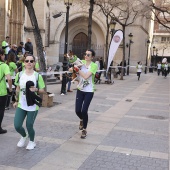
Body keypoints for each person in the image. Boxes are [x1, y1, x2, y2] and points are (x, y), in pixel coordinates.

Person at [13, 54, 45, 150]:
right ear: (24, 63)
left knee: (29, 125)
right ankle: (24, 135)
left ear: (34, 63)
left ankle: (32, 141)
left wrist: (36, 89)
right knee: (17, 125)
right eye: (27, 61)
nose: (29, 63)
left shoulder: (37, 76)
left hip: (32, 105)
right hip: (21, 104)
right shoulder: (20, 74)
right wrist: (16, 100)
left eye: (31, 61)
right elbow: (18, 89)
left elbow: (42, 90)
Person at [71, 49, 97, 139]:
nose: (86, 56)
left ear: (92, 57)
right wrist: (73, 69)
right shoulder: (81, 62)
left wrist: (77, 70)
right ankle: (81, 119)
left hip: (89, 91)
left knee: (84, 110)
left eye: (88, 55)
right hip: (80, 89)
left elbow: (86, 76)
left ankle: (84, 130)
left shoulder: (94, 65)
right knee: (78, 110)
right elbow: (72, 67)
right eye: (85, 54)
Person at [0, 48, 12, 134]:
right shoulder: (4, 66)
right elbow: (9, 79)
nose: (4, 56)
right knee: (1, 111)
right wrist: (10, 88)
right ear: (1, 55)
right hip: (2, 92)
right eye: (4, 55)